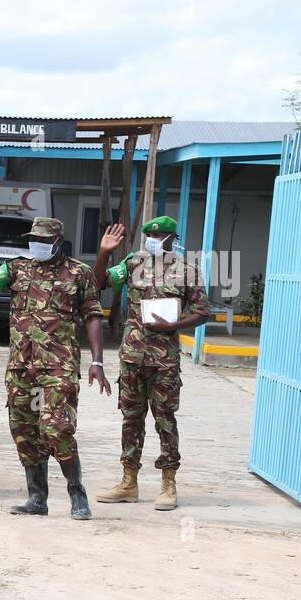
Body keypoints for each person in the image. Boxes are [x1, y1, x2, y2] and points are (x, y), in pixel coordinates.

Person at [0, 216, 110, 519]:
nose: (37, 245)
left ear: (58, 242)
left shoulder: (78, 273)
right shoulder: (18, 268)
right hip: (22, 368)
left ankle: (77, 494)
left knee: (57, 428)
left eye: (43, 241)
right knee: (25, 430)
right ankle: (37, 498)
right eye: (34, 239)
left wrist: (97, 360)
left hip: (58, 368)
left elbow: (93, 316)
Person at [94, 217, 211, 510]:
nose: (153, 240)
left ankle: (168, 484)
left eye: (159, 236)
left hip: (164, 361)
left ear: (173, 239)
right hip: (132, 358)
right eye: (149, 235)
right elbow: (99, 283)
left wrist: (174, 324)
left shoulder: (188, 270)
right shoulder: (133, 263)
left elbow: (202, 312)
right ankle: (128, 482)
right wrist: (105, 253)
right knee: (130, 420)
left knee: (164, 420)